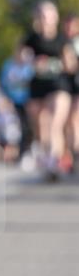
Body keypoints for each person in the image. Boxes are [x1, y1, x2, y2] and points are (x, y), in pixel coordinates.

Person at [23, 0, 75, 179]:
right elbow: (20, 59)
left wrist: (55, 64)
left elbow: (71, 65)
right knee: (41, 127)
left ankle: (54, 162)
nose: (46, 19)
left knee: (55, 123)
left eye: (49, 15)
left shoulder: (62, 39)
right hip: (37, 87)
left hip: (59, 86)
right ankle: (47, 160)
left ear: (55, 17)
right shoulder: (30, 39)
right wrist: (30, 61)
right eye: (42, 16)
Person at [0, 41, 35, 156]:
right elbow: (3, 84)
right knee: (13, 127)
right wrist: (6, 99)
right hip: (12, 101)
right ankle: (14, 151)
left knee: (27, 126)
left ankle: (26, 150)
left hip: (27, 102)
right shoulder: (8, 65)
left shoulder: (30, 67)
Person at [62, 13, 79, 171]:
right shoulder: (62, 42)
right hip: (66, 85)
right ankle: (68, 155)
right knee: (67, 122)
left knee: (74, 120)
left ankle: (74, 154)